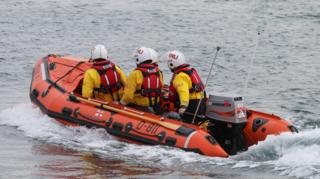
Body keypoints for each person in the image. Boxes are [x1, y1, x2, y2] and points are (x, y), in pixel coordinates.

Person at [164, 50, 206, 124]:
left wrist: (183, 106)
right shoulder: (189, 71)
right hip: (201, 103)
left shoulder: (180, 76)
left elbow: (183, 92)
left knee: (168, 115)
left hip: (191, 106)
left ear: (171, 63)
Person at [120, 47, 163, 113]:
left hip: (140, 107)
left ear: (137, 59)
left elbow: (128, 96)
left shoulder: (135, 74)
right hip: (156, 106)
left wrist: (121, 104)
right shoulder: (159, 72)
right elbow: (161, 87)